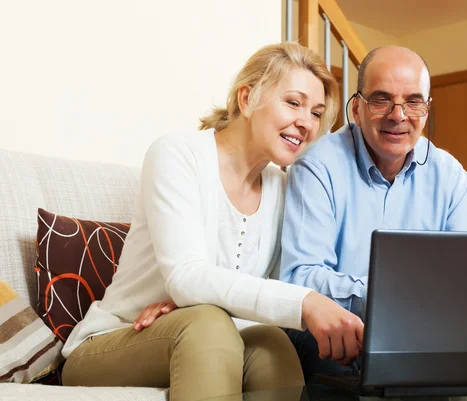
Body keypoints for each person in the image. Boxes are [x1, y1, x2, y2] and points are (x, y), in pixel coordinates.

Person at [60, 42, 363, 401]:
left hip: (205, 332)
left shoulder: (283, 189)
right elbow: (187, 277)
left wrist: (199, 299)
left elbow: (253, 289)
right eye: (293, 103)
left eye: (316, 113)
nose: (305, 122)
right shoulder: (176, 155)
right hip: (115, 341)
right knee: (207, 325)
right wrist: (306, 302)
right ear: (247, 98)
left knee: (271, 344)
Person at [279, 46, 467, 380]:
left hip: (425, 336)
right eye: (381, 99)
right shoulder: (318, 166)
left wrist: (421, 303)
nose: (398, 115)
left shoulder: (447, 173)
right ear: (358, 108)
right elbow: (301, 277)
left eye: (413, 101)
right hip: (343, 338)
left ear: (427, 108)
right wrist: (395, 296)